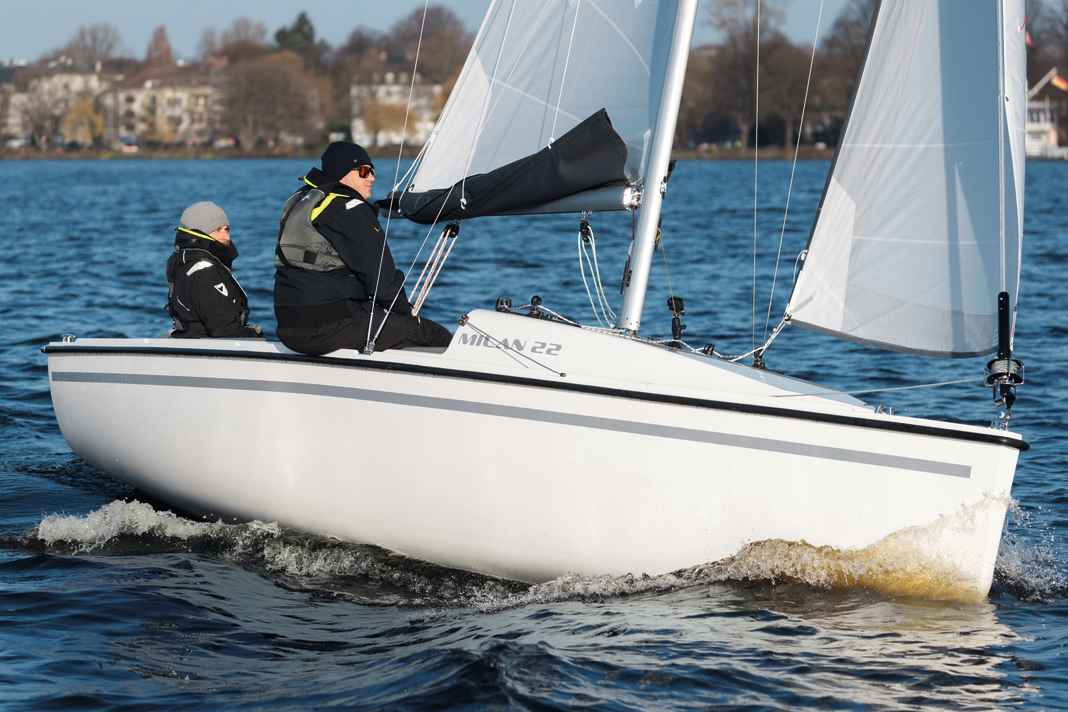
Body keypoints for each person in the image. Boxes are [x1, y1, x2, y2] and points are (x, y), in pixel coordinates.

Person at [273, 141, 452, 355]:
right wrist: (408, 316)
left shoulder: (303, 201)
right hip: (328, 328)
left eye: (372, 172)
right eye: (364, 171)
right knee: (434, 336)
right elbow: (382, 281)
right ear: (343, 172)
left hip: (289, 328)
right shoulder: (350, 209)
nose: (372, 178)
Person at [166, 201, 262, 338]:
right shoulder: (205, 272)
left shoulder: (186, 262)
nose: (225, 236)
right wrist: (254, 333)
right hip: (209, 348)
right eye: (217, 230)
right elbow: (224, 330)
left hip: (193, 343)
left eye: (227, 229)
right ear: (201, 233)